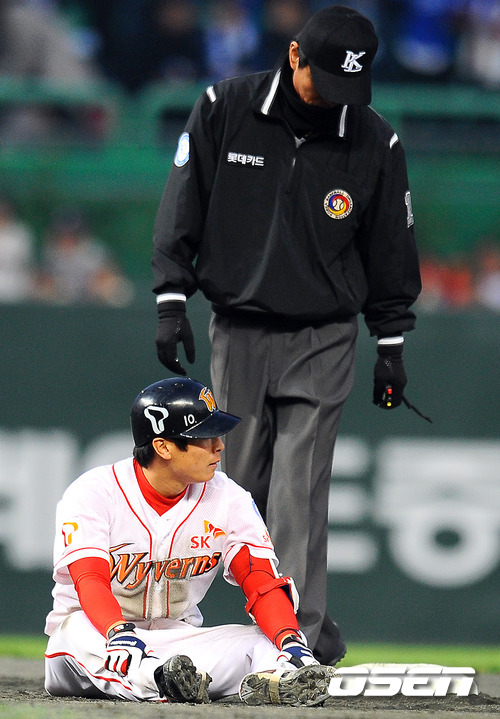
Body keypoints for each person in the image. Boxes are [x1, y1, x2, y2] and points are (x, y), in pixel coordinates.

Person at [151, 5, 422, 666]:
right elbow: (182, 204)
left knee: (300, 487)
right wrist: (170, 298)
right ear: (294, 55)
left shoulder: (374, 140)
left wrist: (390, 342)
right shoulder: (225, 107)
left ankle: (292, 637)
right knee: (236, 481)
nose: (334, 97)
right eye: (324, 79)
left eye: (348, 85)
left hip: (323, 334)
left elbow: (391, 247)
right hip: (240, 327)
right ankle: (251, 626)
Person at [44, 377, 335, 705]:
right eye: (204, 437)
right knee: (76, 631)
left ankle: (277, 679)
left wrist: (290, 641)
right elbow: (90, 580)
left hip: (178, 644)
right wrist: (117, 631)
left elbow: (260, 580)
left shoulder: (227, 497)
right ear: (163, 447)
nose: (219, 446)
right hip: (94, 639)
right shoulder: (96, 492)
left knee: (265, 643)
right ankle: (157, 679)